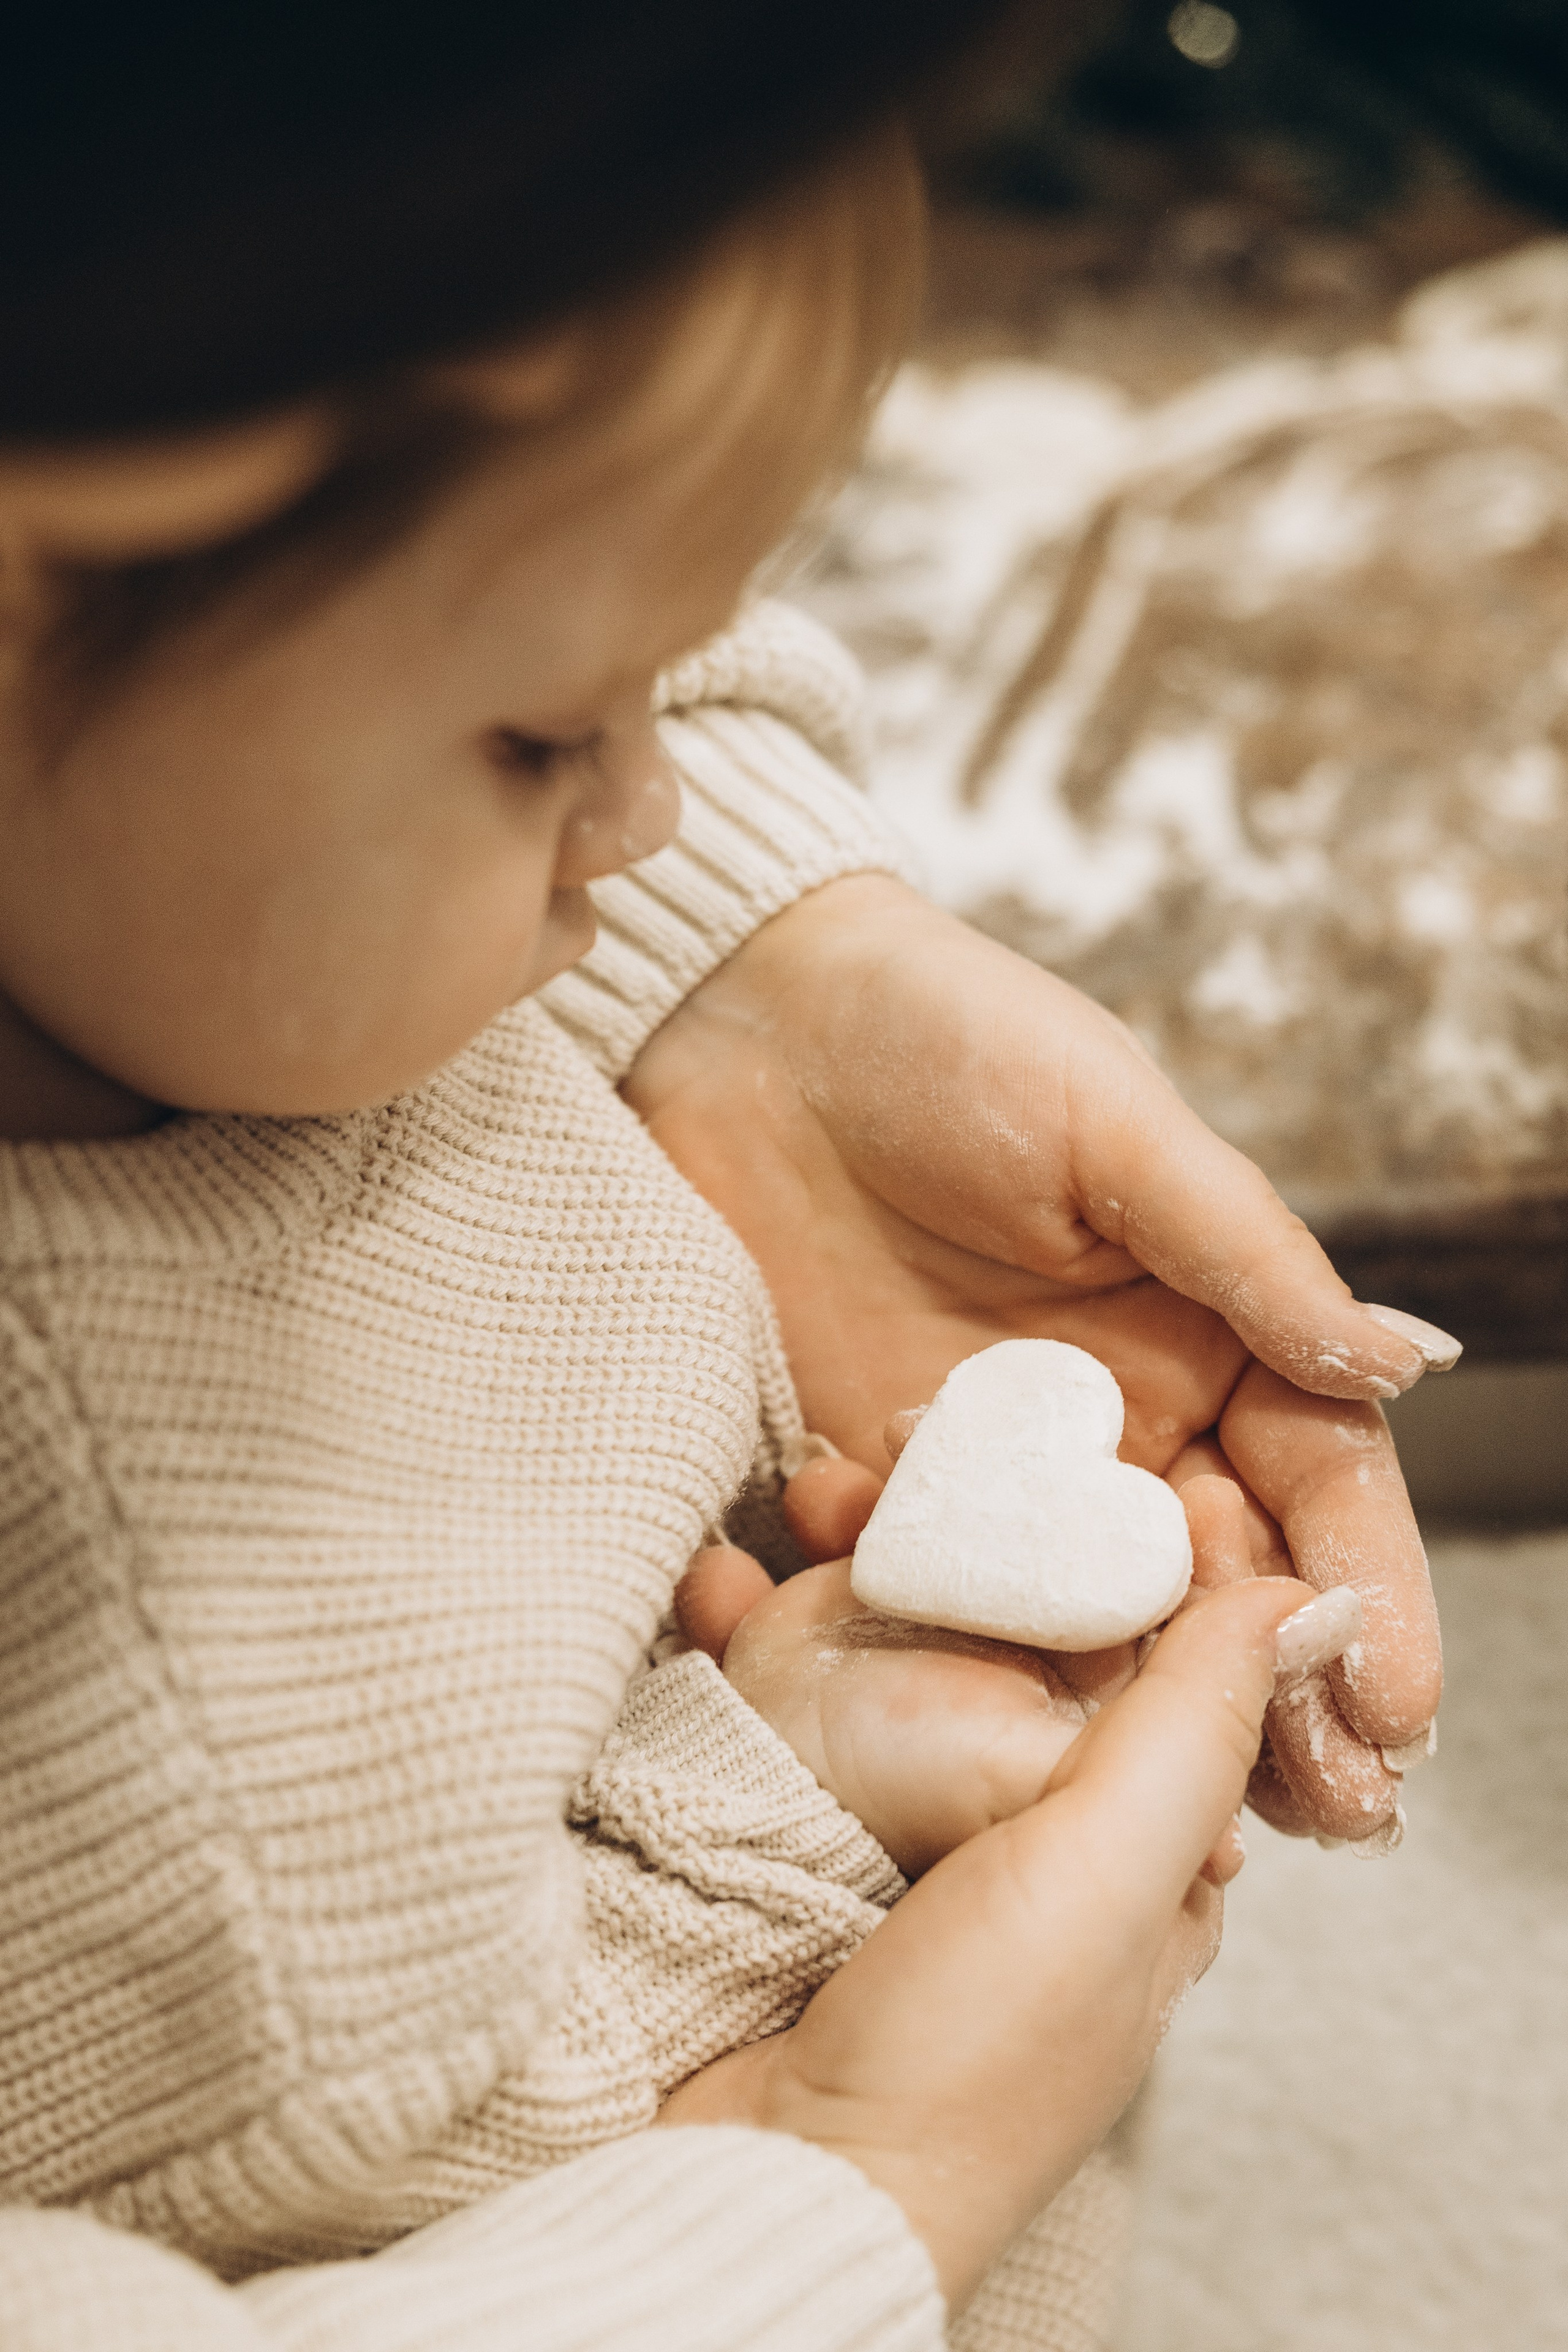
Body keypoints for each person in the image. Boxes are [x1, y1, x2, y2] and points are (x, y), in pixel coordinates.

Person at [0, 8, 1450, 2347]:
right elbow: (449, 2163)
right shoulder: (186, 1778)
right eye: (554, 732)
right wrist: (820, 2020)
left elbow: (422, 578)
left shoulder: (181, 907)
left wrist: (746, 962)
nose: (658, 808)